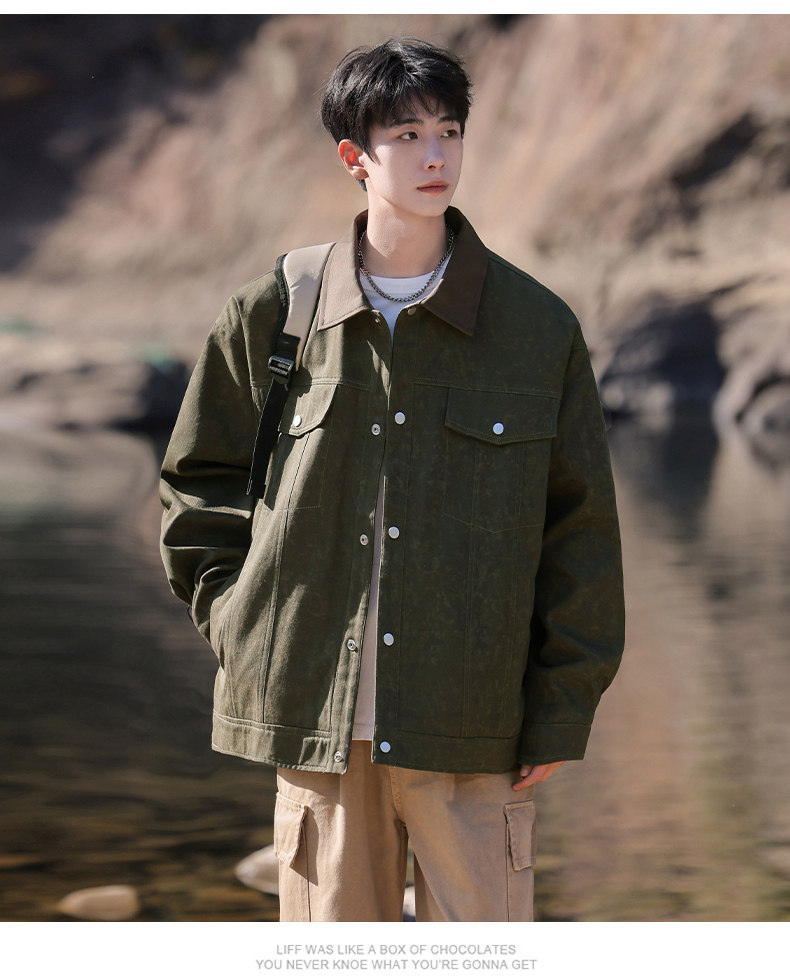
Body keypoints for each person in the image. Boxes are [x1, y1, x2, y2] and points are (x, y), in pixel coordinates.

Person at [159, 37, 625, 922]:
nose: (435, 154)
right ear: (355, 158)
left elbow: (581, 533)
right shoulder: (274, 314)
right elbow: (198, 485)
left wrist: (562, 706)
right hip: (316, 730)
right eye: (407, 135)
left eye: (449, 131)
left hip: (474, 730)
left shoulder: (536, 329)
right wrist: (241, 625)